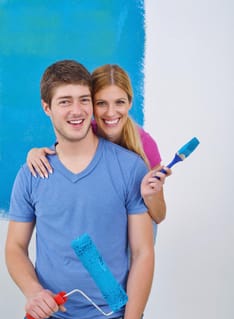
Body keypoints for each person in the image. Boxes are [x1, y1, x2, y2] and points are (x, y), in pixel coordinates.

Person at [5, 59, 163, 319]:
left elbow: (143, 251)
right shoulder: (32, 173)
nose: (76, 110)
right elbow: (15, 247)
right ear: (46, 108)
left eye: (84, 100)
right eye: (65, 101)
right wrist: (33, 291)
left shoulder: (132, 165)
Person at [26, 64, 171, 228]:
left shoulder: (145, 144)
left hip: (139, 233)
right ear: (90, 104)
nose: (111, 112)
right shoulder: (84, 132)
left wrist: (151, 195)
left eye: (120, 102)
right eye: (101, 103)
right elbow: (61, 152)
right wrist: (34, 153)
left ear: (130, 103)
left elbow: (159, 216)